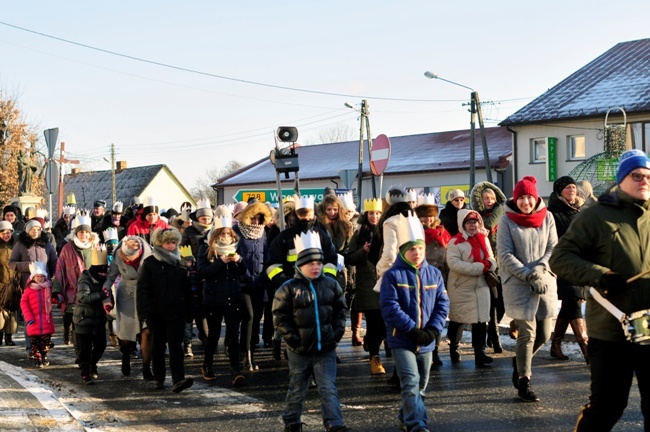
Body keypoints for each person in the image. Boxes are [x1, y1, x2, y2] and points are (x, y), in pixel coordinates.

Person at [549, 149, 650, 431]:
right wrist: (601, 276)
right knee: (608, 406)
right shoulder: (595, 216)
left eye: (648, 176)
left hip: (649, 326)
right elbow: (561, 258)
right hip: (610, 328)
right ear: (621, 180)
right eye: (636, 175)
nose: (644, 181)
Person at [379, 213, 449, 432]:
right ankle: (416, 424)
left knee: (422, 384)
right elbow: (390, 307)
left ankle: (406, 414)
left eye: (420, 248)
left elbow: (442, 304)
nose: (417, 253)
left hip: (426, 340)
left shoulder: (434, 274)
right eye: (411, 249)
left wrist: (433, 329)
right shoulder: (392, 275)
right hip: (402, 339)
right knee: (410, 382)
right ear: (402, 251)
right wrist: (411, 329)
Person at [273, 230, 348, 432]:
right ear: (300, 265)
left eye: (318, 263)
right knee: (297, 389)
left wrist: (335, 334)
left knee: (328, 388)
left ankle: (335, 424)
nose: (315, 267)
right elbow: (280, 317)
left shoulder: (331, 285)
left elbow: (340, 312)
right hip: (299, 351)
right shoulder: (288, 288)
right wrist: (293, 339)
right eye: (310, 263)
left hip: (325, 348)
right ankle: (292, 421)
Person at [497, 176, 558, 402]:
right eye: (521, 197)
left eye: (529, 197)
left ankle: (520, 360)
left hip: (544, 282)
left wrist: (540, 270)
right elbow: (504, 254)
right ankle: (524, 381)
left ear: (535, 198)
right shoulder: (506, 221)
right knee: (528, 334)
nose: (525, 202)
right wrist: (528, 274)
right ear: (515, 198)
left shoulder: (548, 217)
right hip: (518, 284)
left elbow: (553, 247)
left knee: (544, 334)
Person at [137, 227, 194, 393]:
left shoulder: (181, 263)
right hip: (155, 312)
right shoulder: (150, 263)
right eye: (168, 242)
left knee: (176, 346)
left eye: (174, 242)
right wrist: (143, 312)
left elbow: (187, 290)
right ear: (160, 243)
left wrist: (190, 311)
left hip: (176, 311)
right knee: (158, 346)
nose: (171, 246)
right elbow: (143, 289)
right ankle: (159, 379)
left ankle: (178, 379)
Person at [197, 218, 248, 385]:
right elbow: (203, 272)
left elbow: (243, 271)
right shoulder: (206, 248)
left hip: (233, 297)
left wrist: (238, 261)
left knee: (233, 336)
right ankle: (207, 365)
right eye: (223, 233)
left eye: (228, 233)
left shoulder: (237, 247)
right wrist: (220, 262)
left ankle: (236, 370)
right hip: (213, 298)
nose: (226, 236)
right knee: (214, 335)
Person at [446, 209, 497, 367]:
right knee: (458, 320)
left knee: (480, 320)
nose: (473, 225)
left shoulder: (484, 239)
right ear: (463, 225)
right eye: (469, 222)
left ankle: (479, 352)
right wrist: (480, 267)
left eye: (475, 222)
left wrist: (489, 265)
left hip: (481, 286)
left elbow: (491, 258)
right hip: (461, 287)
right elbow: (454, 264)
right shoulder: (455, 242)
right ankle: (454, 346)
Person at [546, 176, 589, 363]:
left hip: (580, 263)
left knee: (570, 304)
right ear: (559, 191)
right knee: (574, 301)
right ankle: (586, 348)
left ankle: (556, 344)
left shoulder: (579, 211)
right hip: (562, 263)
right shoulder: (552, 213)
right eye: (567, 187)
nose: (572, 190)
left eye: (573, 187)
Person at [345, 198, 386, 375]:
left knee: (382, 324)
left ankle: (371, 341)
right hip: (367, 286)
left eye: (378, 213)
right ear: (366, 215)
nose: (375, 216)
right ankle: (375, 358)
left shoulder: (387, 231)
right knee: (375, 321)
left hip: (385, 283)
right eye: (371, 213)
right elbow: (350, 258)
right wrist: (363, 251)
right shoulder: (359, 233)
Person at [103, 235, 153, 379]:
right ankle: (125, 355)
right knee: (126, 332)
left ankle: (146, 366)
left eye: (129, 258)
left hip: (145, 293)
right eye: (124, 257)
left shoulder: (150, 255)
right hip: (126, 293)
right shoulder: (119, 254)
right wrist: (106, 296)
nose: (126, 260)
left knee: (146, 331)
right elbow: (110, 276)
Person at [9, 216, 57, 356]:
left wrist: (54, 278)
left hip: (45, 286)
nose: (35, 232)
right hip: (28, 286)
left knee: (45, 316)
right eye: (32, 229)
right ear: (27, 231)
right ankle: (30, 347)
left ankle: (44, 345)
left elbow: (54, 261)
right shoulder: (21, 244)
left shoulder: (46, 244)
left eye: (38, 229)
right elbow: (12, 263)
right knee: (30, 316)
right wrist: (28, 266)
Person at [233, 201, 272, 372]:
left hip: (259, 282)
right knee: (248, 317)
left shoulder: (263, 233)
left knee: (256, 318)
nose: (256, 222)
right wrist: (245, 276)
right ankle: (245, 355)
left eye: (259, 218)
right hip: (242, 282)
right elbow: (235, 256)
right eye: (253, 218)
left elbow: (266, 254)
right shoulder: (237, 232)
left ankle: (251, 351)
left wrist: (265, 276)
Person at [470, 181, 507, 353]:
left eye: (492, 197)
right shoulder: (478, 216)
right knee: (492, 302)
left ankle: (491, 333)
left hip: (503, 264)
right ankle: (494, 338)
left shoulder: (504, 214)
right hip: (487, 264)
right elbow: (489, 224)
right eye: (486, 198)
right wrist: (500, 208)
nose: (490, 200)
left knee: (502, 303)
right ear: (480, 200)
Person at [415, 193, 450, 366]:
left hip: (440, 278)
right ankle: (422, 346)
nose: (428, 219)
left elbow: (448, 257)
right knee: (423, 315)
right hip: (421, 278)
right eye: (424, 216)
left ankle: (435, 349)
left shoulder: (443, 233)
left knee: (438, 315)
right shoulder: (415, 233)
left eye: (430, 216)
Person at [52, 212, 95, 348]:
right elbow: (60, 270)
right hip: (71, 289)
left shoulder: (95, 247)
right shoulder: (67, 249)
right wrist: (57, 291)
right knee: (70, 316)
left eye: (86, 232)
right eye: (81, 232)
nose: (84, 235)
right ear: (76, 233)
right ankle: (66, 330)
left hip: (89, 289)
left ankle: (79, 348)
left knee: (82, 322)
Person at [318, 194, 354, 344]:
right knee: (325, 308)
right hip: (323, 268)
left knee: (339, 310)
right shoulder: (319, 225)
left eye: (334, 209)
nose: (332, 212)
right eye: (329, 209)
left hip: (341, 269)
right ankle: (327, 341)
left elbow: (349, 247)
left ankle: (335, 341)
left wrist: (343, 258)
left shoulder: (346, 225)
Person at [180, 198, 213, 358]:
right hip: (192, 272)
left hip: (207, 270)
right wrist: (188, 259)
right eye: (203, 218)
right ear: (198, 218)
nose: (205, 220)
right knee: (190, 308)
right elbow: (182, 248)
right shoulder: (189, 231)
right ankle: (187, 341)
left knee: (204, 307)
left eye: (208, 217)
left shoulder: (215, 230)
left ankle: (206, 337)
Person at [74, 248, 111, 385]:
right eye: (100, 271)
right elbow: (83, 297)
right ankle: (85, 372)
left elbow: (109, 294)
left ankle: (92, 364)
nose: (103, 274)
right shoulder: (85, 278)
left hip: (99, 319)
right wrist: (101, 295)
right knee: (85, 348)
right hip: (84, 319)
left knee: (101, 345)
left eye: (104, 271)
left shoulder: (105, 280)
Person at [20, 262, 54, 367]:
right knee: (35, 343)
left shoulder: (47, 288)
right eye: (38, 276)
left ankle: (44, 356)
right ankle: (37, 358)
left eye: (42, 276)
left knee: (45, 343)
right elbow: (23, 303)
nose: (40, 278)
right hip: (33, 321)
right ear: (33, 277)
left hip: (46, 321)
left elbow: (51, 299)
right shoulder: (29, 290)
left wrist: (57, 298)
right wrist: (28, 317)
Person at [0, 220, 20, 347]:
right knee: (1, 312)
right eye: (3, 233)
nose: (6, 235)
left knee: (12, 311)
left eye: (8, 233)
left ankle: (9, 336)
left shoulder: (16, 246)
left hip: (13, 283)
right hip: (1, 282)